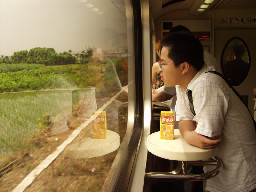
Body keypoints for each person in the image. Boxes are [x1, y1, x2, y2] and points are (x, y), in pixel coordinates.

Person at [160, 32, 256, 192]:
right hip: (218, 174)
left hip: (240, 178)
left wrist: (190, 132)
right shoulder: (183, 85)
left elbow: (205, 139)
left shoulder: (207, 85)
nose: (160, 69)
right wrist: (189, 134)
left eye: (163, 63)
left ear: (184, 67)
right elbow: (185, 121)